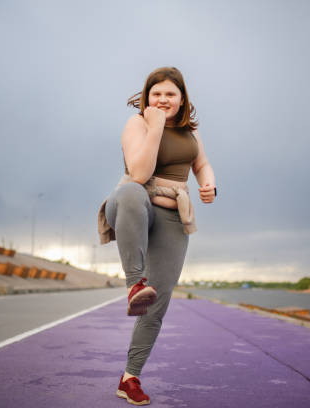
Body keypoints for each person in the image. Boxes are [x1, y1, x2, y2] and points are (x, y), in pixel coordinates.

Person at [98, 66, 216, 406]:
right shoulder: (137, 124)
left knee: (158, 303)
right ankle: (134, 282)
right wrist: (156, 126)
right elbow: (139, 172)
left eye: (170, 94)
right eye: (157, 93)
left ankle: (130, 377)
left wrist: (208, 184)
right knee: (134, 191)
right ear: (147, 97)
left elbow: (202, 164)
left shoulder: (192, 134)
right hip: (130, 206)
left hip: (172, 216)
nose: (163, 99)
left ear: (182, 100)